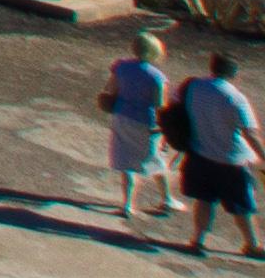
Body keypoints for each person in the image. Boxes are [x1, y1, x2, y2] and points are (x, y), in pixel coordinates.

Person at [174, 52, 263, 261]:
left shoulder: (195, 86)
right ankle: (251, 245)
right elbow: (250, 133)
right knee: (242, 206)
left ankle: (197, 240)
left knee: (204, 200)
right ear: (235, 73)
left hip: (200, 154)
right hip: (232, 161)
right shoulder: (236, 98)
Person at [106, 37, 172, 223]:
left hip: (122, 116)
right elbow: (160, 106)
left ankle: (128, 204)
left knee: (126, 159)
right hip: (147, 122)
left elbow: (110, 89)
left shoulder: (121, 67)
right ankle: (166, 198)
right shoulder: (157, 76)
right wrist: (166, 131)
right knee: (156, 159)